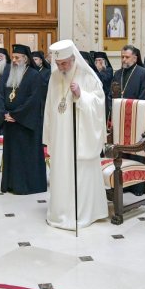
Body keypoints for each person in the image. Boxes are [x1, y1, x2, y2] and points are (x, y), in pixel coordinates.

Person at [43, 39, 108, 230]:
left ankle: (84, 213)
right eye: (58, 64)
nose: (61, 67)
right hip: (60, 135)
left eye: (64, 63)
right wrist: (48, 137)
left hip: (80, 137)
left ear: (73, 59)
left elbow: (99, 104)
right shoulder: (55, 77)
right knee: (61, 172)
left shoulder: (88, 76)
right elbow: (49, 107)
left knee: (80, 172)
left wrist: (81, 95)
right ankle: (61, 211)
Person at [0, 44, 47, 195]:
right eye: (13, 57)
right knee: (12, 155)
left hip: (26, 124)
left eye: (17, 58)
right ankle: (11, 183)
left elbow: (33, 100)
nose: (13, 60)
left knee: (25, 156)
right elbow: (1, 94)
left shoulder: (34, 75)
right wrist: (4, 112)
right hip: (10, 123)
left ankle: (26, 185)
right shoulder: (10, 73)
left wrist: (16, 115)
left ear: (25, 59)